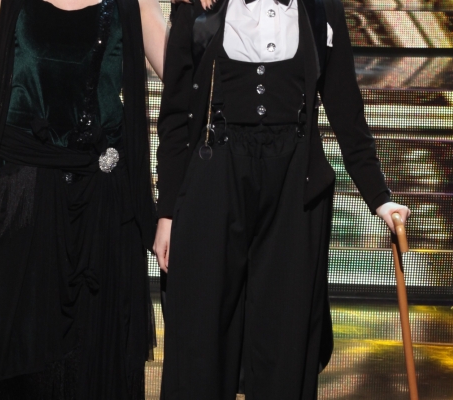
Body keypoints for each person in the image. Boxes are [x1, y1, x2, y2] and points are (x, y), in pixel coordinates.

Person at [153, 0, 410, 397]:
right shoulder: (202, 9)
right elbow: (175, 117)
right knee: (201, 334)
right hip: (214, 179)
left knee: (285, 335)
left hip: (294, 186)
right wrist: (167, 213)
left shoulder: (321, 11)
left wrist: (379, 197)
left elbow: (346, 108)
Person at [0, 0, 166, 398]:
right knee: (22, 352)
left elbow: (186, 81)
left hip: (100, 204)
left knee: (92, 353)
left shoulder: (133, 4)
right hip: (23, 198)